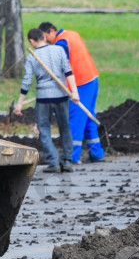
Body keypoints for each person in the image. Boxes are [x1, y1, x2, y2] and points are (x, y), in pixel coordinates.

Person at [14, 28, 80, 173]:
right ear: (44, 37)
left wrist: (20, 103)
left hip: (43, 99)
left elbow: (27, 81)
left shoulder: (32, 56)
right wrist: (74, 92)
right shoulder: (59, 50)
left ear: (31, 41)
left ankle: (54, 163)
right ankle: (67, 160)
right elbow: (69, 72)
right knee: (65, 127)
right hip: (62, 96)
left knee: (44, 130)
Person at [39, 22, 104, 163]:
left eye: (45, 37)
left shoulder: (61, 43)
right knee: (88, 117)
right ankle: (97, 153)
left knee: (75, 120)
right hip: (92, 79)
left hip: (81, 84)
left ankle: (71, 157)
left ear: (51, 31)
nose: (45, 41)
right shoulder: (71, 34)